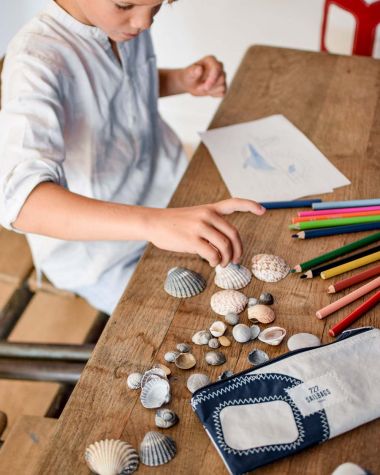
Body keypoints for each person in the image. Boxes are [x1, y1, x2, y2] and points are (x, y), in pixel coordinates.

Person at [0, 0, 265, 314]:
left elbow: (116, 87)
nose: (144, 23)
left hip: (172, 197)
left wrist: (181, 80)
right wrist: (155, 224)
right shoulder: (35, 61)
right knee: (198, 319)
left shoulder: (118, 23)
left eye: (157, 7)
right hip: (104, 255)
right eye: (125, 5)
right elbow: (21, 201)